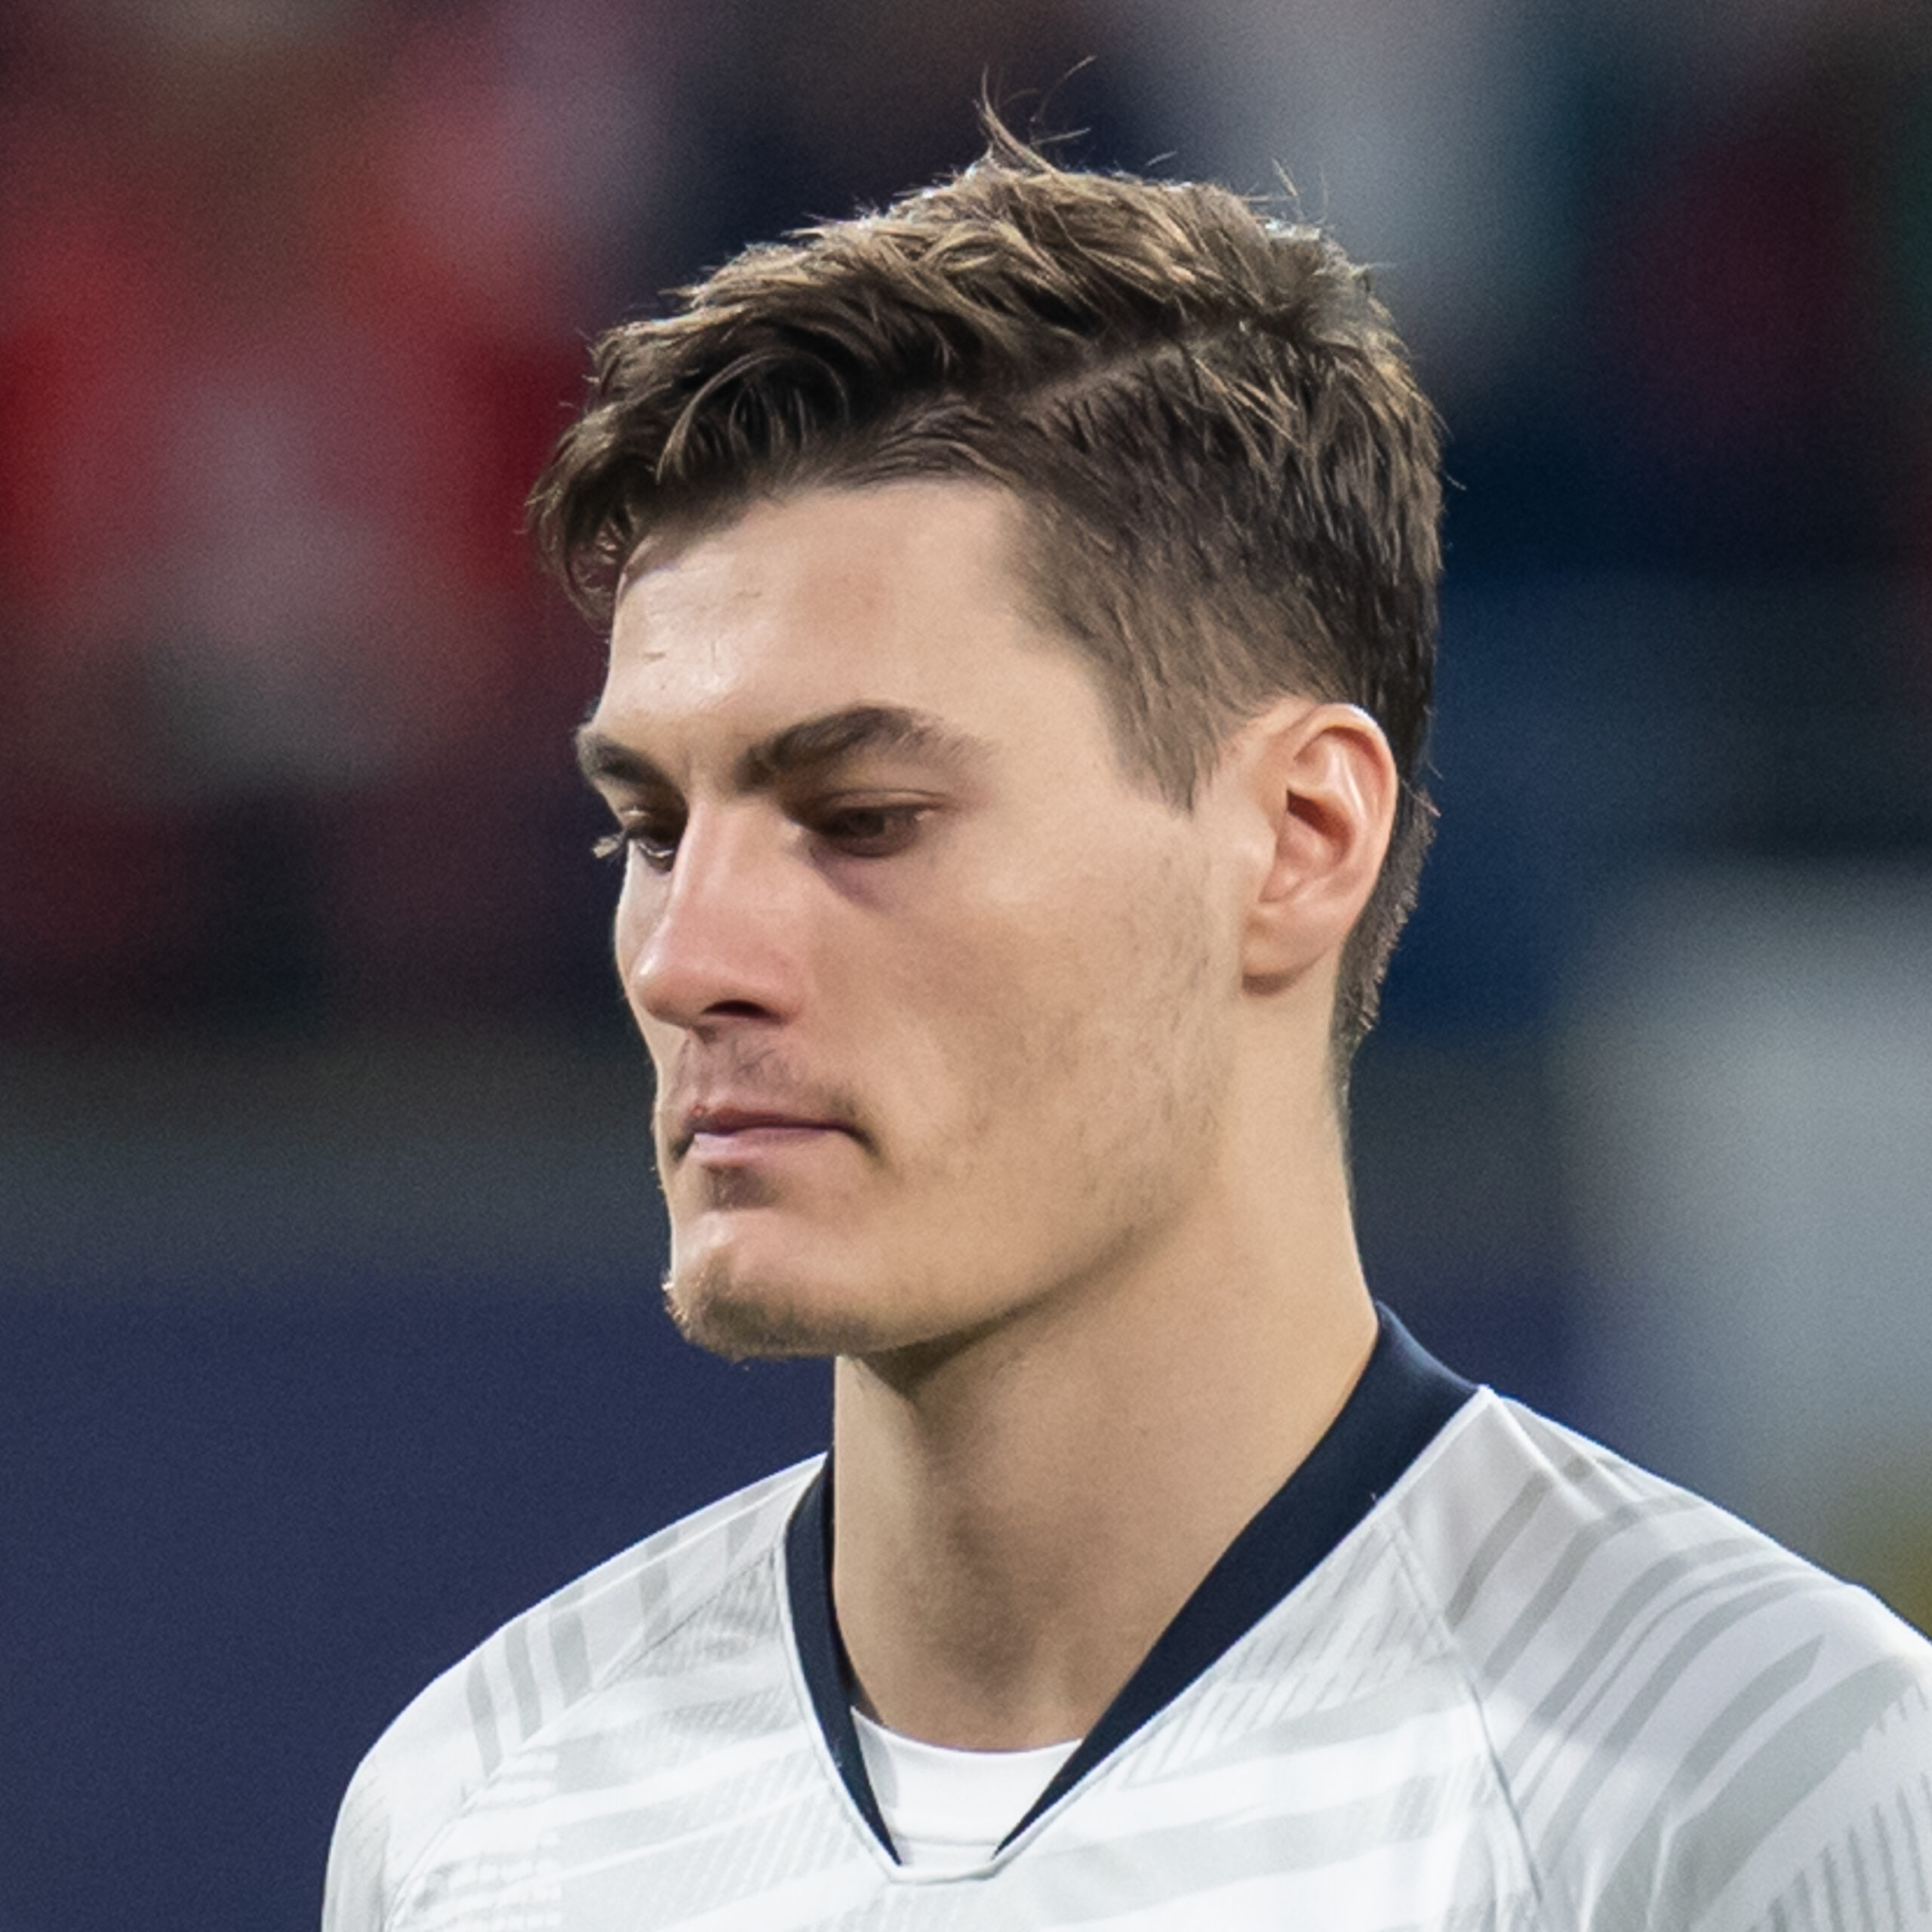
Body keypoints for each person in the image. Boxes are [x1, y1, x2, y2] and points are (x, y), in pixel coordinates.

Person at [322, 125, 1932, 1930]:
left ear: (1296, 839)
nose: (689, 956)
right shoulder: (476, 1810)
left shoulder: (1757, 1778)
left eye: (862, 818)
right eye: (648, 827)